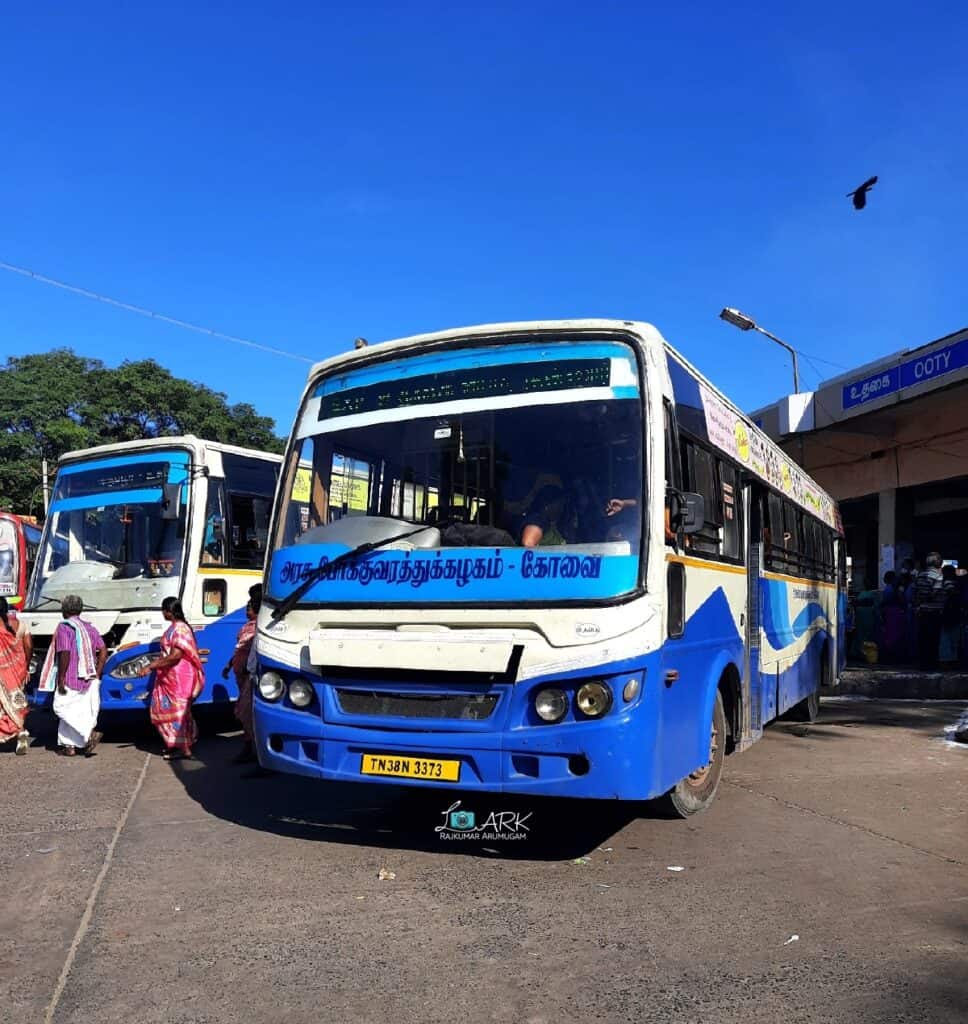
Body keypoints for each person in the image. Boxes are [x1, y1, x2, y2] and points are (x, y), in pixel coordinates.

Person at [39, 595, 106, 757]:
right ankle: (69, 747)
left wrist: (61, 677)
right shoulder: (89, 628)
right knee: (75, 711)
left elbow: (65, 654)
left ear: (65, 610)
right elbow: (103, 650)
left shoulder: (64, 627)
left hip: (70, 677)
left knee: (60, 707)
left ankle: (87, 733)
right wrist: (97, 673)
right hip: (88, 677)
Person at [138, 597, 204, 760]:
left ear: (168, 611)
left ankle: (184, 748)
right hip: (171, 677)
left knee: (177, 712)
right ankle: (178, 745)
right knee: (167, 709)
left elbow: (175, 656)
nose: (162, 613)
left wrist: (151, 666)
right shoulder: (175, 628)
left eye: (163, 610)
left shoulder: (179, 629)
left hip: (179, 678)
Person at [223, 598, 258, 763]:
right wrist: (229, 665)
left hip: (251, 676)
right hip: (241, 677)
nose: (246, 610)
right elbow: (239, 650)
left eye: (249, 607)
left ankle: (254, 749)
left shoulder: (259, 628)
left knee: (247, 712)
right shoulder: (246, 627)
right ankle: (249, 746)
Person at [0, 597, 31, 755]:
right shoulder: (19, 624)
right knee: (17, 703)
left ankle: (9, 733)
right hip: (17, 671)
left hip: (2, 675)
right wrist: (25, 668)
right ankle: (21, 732)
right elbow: (28, 646)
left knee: (4, 707)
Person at [913, 552, 945, 670]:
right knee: (933, 639)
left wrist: (918, 605)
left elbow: (915, 593)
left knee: (923, 638)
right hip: (935, 611)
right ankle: (932, 663)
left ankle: (923, 663)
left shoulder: (920, 575)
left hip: (923, 611)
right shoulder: (939, 576)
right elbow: (934, 593)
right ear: (938, 562)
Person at [880, 571, 905, 663]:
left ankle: (891, 656)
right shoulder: (896, 588)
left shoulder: (889, 588)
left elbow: (886, 600)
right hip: (895, 612)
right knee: (895, 634)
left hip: (891, 612)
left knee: (890, 634)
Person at [939, 564, 961, 668]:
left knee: (945, 638)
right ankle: (952, 659)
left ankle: (946, 660)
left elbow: (950, 596)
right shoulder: (957, 583)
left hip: (947, 613)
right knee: (953, 638)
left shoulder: (946, 583)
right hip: (955, 613)